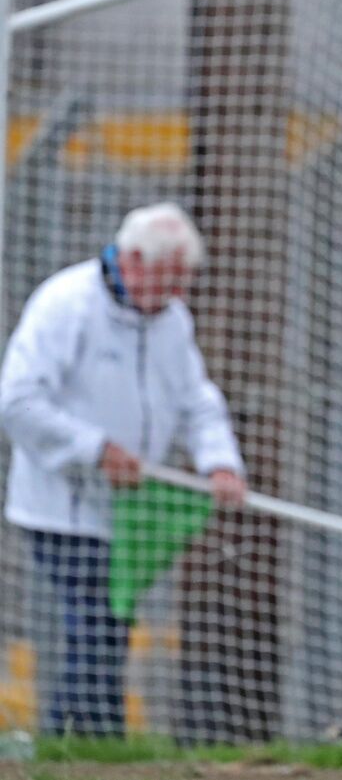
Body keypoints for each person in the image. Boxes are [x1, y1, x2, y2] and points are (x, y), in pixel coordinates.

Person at [0, 201, 247, 737]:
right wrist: (95, 450)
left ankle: (86, 751)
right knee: (95, 627)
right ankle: (85, 746)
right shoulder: (66, 304)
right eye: (167, 279)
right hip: (60, 509)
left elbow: (196, 402)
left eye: (182, 282)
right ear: (132, 261)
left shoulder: (171, 320)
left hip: (125, 512)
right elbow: (16, 401)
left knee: (108, 629)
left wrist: (220, 462)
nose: (176, 294)